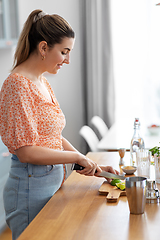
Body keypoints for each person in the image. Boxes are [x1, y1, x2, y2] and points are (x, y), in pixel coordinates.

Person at [0, 9, 119, 240]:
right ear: (43, 48)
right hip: (28, 188)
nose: (67, 60)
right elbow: (27, 152)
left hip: (51, 181)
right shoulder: (17, 85)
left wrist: (93, 166)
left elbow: (53, 137)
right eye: (64, 52)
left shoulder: (41, 81)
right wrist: (76, 158)